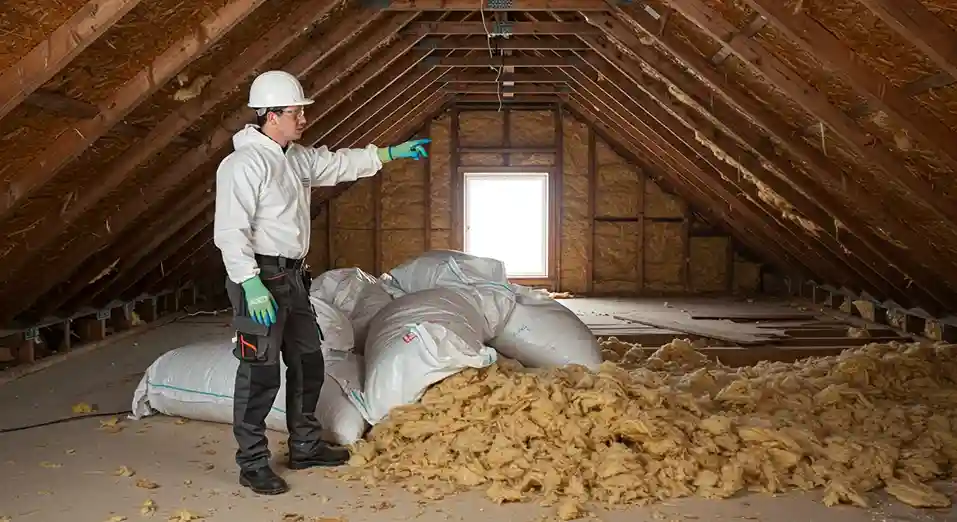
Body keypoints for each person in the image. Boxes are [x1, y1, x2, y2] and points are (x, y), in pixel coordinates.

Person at [212, 70, 429, 495]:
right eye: (296, 112)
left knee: (309, 362)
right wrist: (249, 283)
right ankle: (252, 462)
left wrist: (390, 152)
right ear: (271, 115)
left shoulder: (293, 157)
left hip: (291, 277)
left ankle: (305, 446)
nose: (304, 119)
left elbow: (338, 162)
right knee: (259, 373)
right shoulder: (243, 164)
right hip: (259, 277)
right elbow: (229, 231)